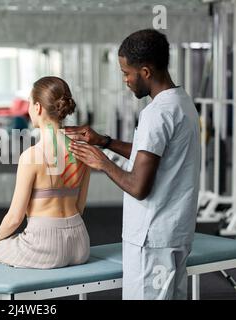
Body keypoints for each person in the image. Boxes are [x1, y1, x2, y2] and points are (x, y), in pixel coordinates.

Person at [67, 29, 200, 299]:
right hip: (174, 232)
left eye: (126, 73)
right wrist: (104, 141)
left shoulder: (156, 114)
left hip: (152, 240)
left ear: (146, 71)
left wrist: (102, 162)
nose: (126, 80)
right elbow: (150, 154)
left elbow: (139, 186)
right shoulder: (181, 103)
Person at [0, 76, 91, 269]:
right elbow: (79, 207)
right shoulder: (82, 152)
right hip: (80, 243)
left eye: (29, 103)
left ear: (37, 107)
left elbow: (14, 219)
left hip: (44, 246)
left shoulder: (31, 156)